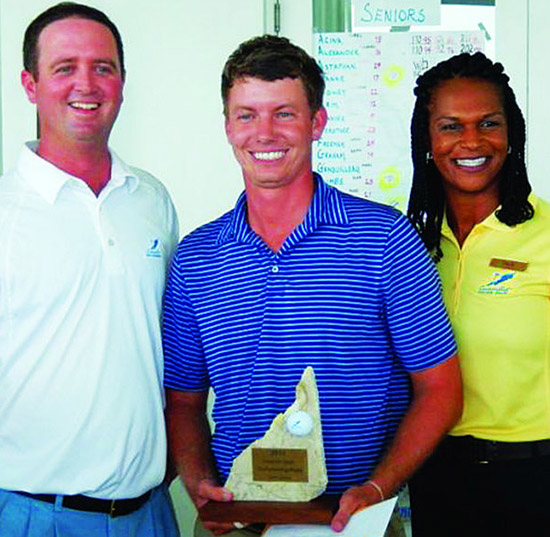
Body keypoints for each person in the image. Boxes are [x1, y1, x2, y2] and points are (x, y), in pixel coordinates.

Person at [163, 35, 462, 535]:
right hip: (238, 519)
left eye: (284, 113)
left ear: (316, 122)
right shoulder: (197, 257)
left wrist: (377, 488)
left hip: (353, 520)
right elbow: (184, 399)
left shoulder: (384, 240)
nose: (264, 132)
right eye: (246, 115)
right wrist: (199, 485)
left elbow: (440, 390)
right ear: (227, 127)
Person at [0, 3, 180, 536]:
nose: (87, 83)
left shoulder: (151, 199)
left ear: (123, 82)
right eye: (64, 67)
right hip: (31, 515)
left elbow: (165, 342)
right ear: (31, 85)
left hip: (150, 513)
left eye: (103, 67)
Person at [407, 51, 550, 537]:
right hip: (434, 477)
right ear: (427, 141)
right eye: (450, 126)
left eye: (488, 123)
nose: (471, 141)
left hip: (535, 479)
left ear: (512, 135)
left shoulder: (547, 236)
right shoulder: (406, 246)